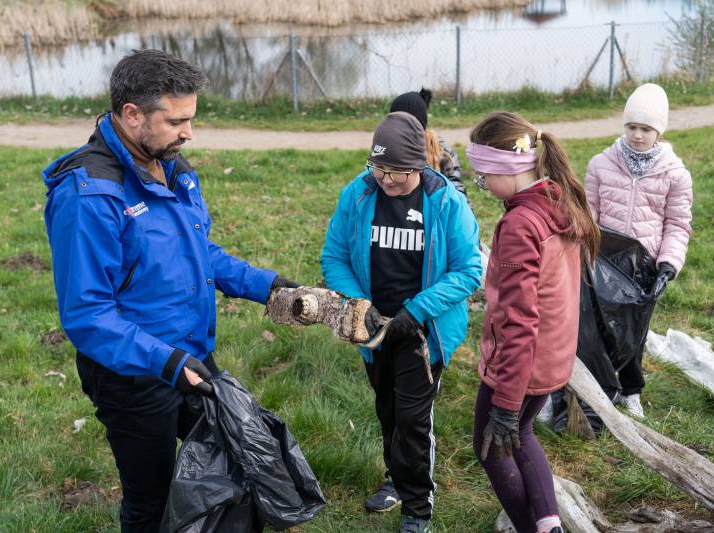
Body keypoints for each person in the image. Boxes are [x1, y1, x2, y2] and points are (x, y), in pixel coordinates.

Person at [42, 49, 298, 532]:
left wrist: (267, 286)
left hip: (190, 357)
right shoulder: (90, 195)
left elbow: (199, 251)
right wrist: (167, 363)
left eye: (191, 119)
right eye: (176, 121)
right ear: (131, 114)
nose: (188, 133)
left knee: (237, 465)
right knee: (152, 501)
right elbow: (87, 315)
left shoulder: (171, 166)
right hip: (134, 375)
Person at [321, 112, 482, 533]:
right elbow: (334, 257)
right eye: (379, 169)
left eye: (397, 173)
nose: (387, 180)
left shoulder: (446, 202)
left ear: (419, 165)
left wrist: (417, 311)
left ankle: (417, 508)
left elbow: (469, 270)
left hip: (424, 332)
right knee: (388, 410)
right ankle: (396, 477)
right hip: (373, 329)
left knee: (412, 420)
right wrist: (360, 304)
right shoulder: (358, 194)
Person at [467, 111, 601, 533]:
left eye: (484, 175)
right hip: (551, 358)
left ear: (508, 168)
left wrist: (506, 403)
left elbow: (519, 320)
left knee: (491, 446)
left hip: (518, 365)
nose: (482, 183)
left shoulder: (520, 225)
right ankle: (548, 524)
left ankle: (531, 527)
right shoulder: (557, 202)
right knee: (523, 435)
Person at [584, 83, 693, 418]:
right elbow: (589, 213)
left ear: (659, 131)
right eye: (631, 126)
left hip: (645, 267)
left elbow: (677, 224)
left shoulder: (675, 175)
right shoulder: (601, 164)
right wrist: (585, 250)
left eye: (646, 128)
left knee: (634, 332)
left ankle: (631, 390)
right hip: (604, 263)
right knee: (599, 327)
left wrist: (668, 264)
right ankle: (600, 386)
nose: (637, 135)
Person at [389, 88, 467, 197]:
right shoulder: (385, 149)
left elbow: (457, 192)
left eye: (406, 124)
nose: (400, 129)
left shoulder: (443, 152)